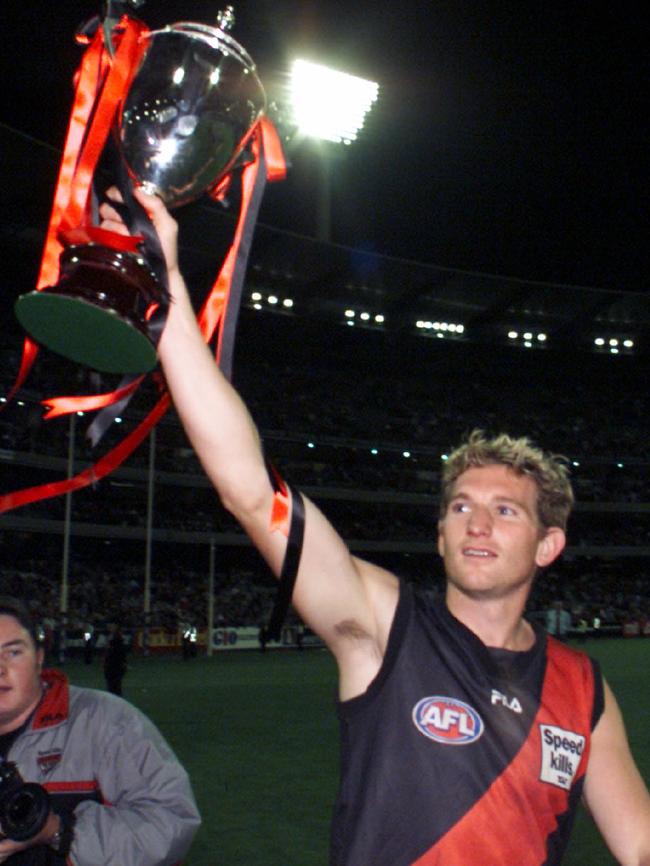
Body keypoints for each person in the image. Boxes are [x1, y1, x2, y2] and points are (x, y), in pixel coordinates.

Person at [100, 189, 650, 866]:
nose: (476, 522)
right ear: (440, 534)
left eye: (505, 510)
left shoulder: (582, 687)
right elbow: (251, 490)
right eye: (459, 506)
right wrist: (168, 288)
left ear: (549, 544)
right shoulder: (386, 627)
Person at [0, 597, 200, 865]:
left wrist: (58, 831)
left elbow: (171, 823)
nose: (0, 669)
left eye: (13, 652)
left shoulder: (107, 721)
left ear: (39, 659)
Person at [103, 623, 128, 695]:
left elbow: (120, 652)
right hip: (112, 664)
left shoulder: (117, 638)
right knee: (113, 685)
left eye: (111, 626)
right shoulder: (113, 636)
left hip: (115, 664)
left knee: (114, 685)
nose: (109, 627)